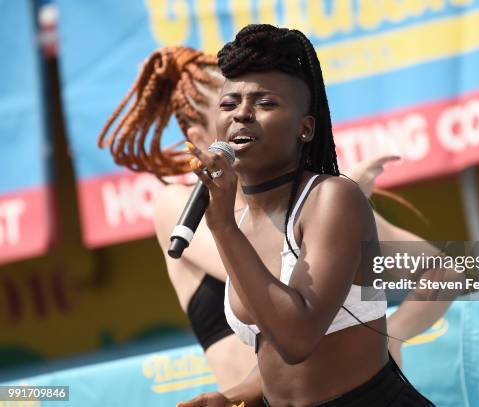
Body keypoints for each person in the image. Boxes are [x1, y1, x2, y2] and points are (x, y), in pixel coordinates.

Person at [99, 43, 458, 401]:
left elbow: (442, 272)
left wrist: (394, 334)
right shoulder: (180, 205)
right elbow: (258, 274)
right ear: (198, 138)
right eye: (229, 106)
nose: (243, 117)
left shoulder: (324, 203)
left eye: (263, 104)